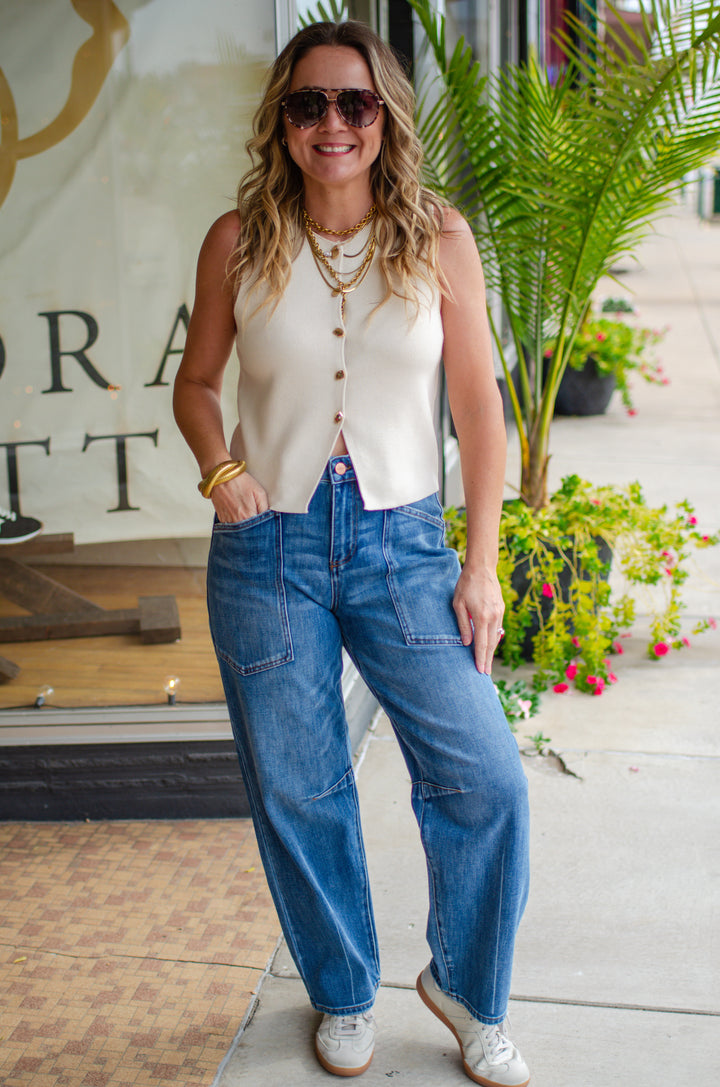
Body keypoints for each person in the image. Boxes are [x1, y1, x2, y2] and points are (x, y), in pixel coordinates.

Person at [173, 19, 530, 1086]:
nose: (334, 124)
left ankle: (465, 987)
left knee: (485, 776)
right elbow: (196, 385)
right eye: (310, 104)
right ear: (282, 121)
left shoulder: (439, 238)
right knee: (300, 785)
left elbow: (480, 408)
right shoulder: (238, 239)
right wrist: (218, 470)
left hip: (406, 543)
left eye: (356, 103)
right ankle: (339, 987)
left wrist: (482, 562)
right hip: (266, 547)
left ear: (386, 120)